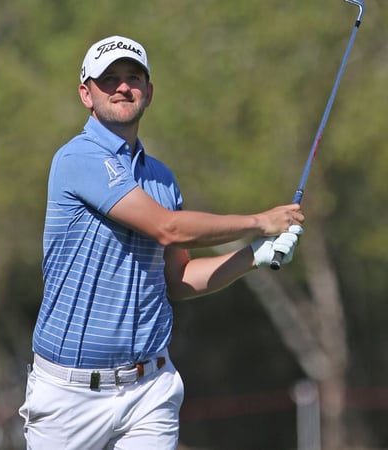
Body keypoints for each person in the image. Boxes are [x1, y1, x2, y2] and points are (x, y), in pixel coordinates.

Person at [18, 35, 305, 449]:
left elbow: (179, 278)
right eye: (108, 79)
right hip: (70, 394)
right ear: (86, 94)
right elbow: (166, 228)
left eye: (133, 78)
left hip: (149, 389)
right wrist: (260, 222)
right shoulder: (76, 158)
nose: (122, 87)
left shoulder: (161, 178)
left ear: (148, 92)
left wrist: (253, 257)